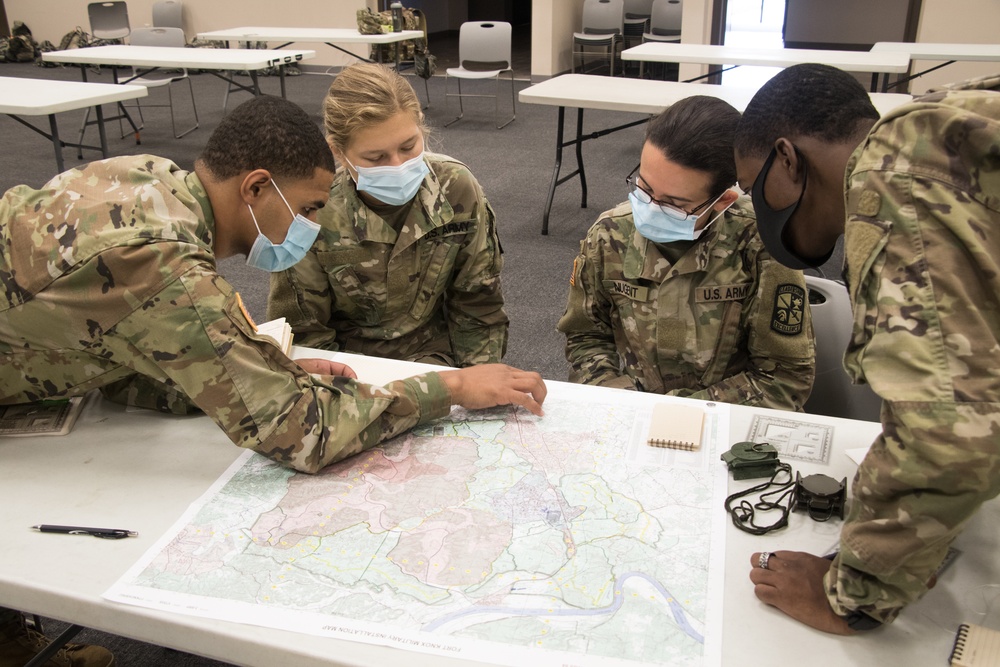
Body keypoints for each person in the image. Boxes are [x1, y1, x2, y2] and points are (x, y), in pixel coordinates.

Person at [0, 94, 545, 666]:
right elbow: (299, 431)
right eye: (309, 208)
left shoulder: (151, 178)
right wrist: (449, 389)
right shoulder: (167, 270)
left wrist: (258, 361)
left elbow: (140, 340)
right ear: (256, 188)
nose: (312, 226)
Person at [733, 63, 1000, 634]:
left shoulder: (891, 181)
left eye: (757, 190)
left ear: (787, 158)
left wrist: (854, 594)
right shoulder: (944, 123)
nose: (761, 218)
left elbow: (951, 434)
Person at [556, 96, 815, 410]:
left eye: (674, 204)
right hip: (631, 417)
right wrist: (619, 398)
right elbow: (586, 337)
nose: (649, 208)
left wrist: (683, 413)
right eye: (644, 187)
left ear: (723, 201)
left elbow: (784, 378)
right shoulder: (610, 235)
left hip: (728, 425)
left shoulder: (762, 245)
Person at [267, 62, 508, 367]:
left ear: (420, 126)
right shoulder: (313, 213)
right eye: (376, 157)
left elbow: (477, 307)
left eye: (409, 146)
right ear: (338, 152)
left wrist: (475, 379)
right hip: (346, 371)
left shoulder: (455, 189)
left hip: (434, 359)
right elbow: (304, 336)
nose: (397, 166)